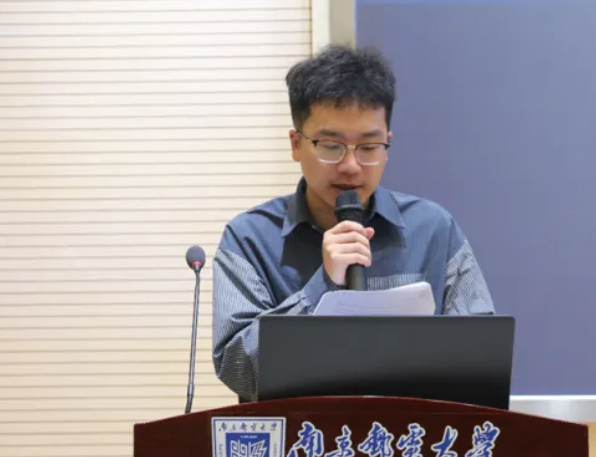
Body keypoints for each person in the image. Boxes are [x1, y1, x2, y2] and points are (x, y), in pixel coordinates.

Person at [211, 44, 495, 402]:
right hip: (302, 436)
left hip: (407, 435)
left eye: (369, 147)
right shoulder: (249, 239)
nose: (350, 166)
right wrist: (320, 289)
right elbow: (237, 369)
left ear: (387, 144)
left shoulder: (434, 230)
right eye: (330, 146)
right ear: (296, 144)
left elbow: (482, 362)